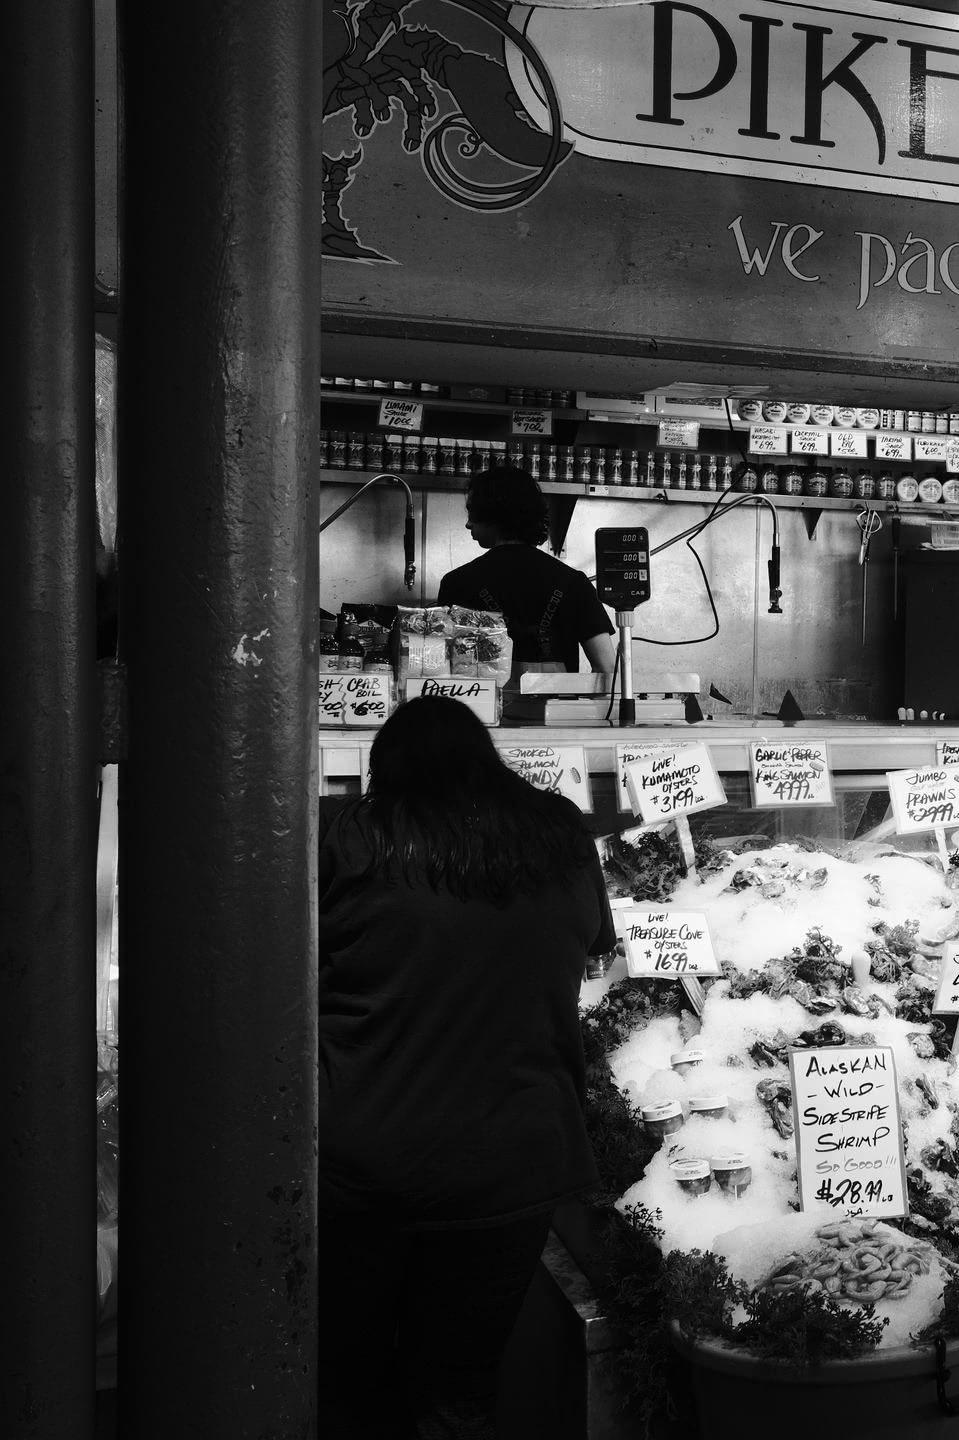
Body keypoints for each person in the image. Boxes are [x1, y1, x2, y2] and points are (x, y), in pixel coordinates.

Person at [318, 696, 616, 1436]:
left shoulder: (349, 836)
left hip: (366, 1159)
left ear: (385, 773)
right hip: (514, 1161)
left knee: (344, 1381)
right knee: (456, 1393)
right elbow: (593, 947)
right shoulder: (559, 834)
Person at [439, 466, 616, 682]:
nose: (467, 524)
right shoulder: (573, 582)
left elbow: (440, 671)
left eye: (473, 512)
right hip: (556, 714)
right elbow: (607, 669)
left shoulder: (457, 583)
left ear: (495, 513)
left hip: (479, 715)